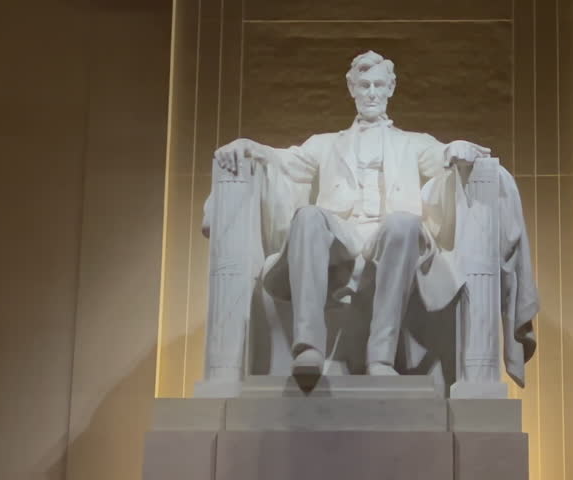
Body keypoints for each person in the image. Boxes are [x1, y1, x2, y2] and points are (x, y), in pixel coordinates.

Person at [212, 51, 532, 379]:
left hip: (393, 236)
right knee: (308, 216)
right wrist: (250, 146)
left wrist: (457, 146)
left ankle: (381, 356)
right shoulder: (325, 144)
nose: (372, 93)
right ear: (351, 89)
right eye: (364, 86)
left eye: (379, 85)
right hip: (343, 237)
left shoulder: (413, 143)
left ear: (391, 88)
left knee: (404, 222)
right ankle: (308, 347)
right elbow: (287, 161)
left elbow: (442, 156)